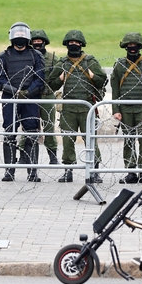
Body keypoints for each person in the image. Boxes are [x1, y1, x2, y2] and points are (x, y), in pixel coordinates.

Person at [48, 30, 107, 183]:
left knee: (91, 139)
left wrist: (91, 75)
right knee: (68, 140)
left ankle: (94, 171)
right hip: (69, 108)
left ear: (81, 44)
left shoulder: (90, 61)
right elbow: (51, 84)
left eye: (76, 43)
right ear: (66, 44)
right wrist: (61, 78)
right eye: (70, 43)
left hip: (87, 106)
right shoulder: (62, 63)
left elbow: (102, 80)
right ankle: (68, 170)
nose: (73, 45)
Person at [0, 22, 45, 182]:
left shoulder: (36, 56)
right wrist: (15, 92)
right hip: (10, 98)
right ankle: (9, 172)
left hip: (30, 98)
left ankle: (32, 172)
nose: (20, 38)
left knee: (31, 133)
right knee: (9, 132)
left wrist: (27, 92)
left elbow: (40, 79)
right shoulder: (3, 57)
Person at [111, 33, 142, 184]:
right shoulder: (119, 65)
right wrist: (116, 109)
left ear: (140, 47)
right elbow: (115, 89)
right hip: (125, 109)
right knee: (128, 140)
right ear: (125, 47)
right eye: (129, 46)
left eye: (135, 46)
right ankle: (131, 171)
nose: (132, 48)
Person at [23, 30, 60, 168]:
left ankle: (53, 156)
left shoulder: (52, 58)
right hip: (31, 96)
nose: (37, 43)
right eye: (34, 41)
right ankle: (23, 155)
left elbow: (59, 75)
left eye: (40, 41)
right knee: (28, 127)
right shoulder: (28, 57)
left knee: (49, 127)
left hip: (46, 96)